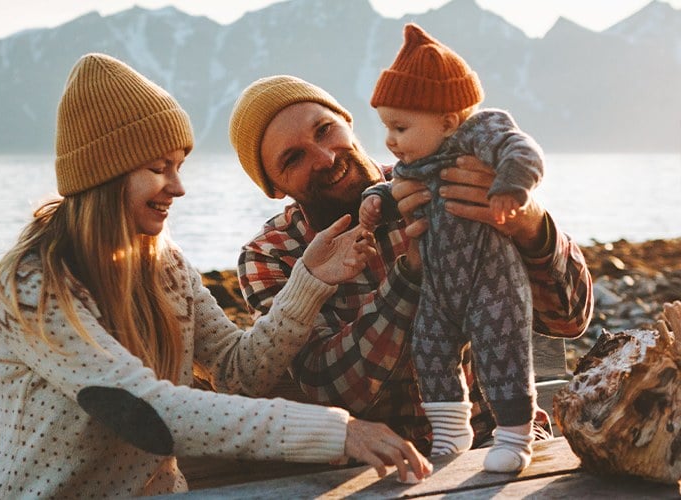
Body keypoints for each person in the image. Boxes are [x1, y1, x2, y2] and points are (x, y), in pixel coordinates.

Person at [0, 53, 431, 498]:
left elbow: (239, 373)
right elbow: (143, 408)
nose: (178, 188)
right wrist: (341, 431)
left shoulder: (164, 265)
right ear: (105, 174)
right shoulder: (35, 282)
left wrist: (309, 280)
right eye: (158, 169)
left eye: (178, 166)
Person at [225, 71, 593, 456]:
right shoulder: (271, 255)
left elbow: (570, 319)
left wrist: (529, 224)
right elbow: (330, 386)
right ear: (274, 187)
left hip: (503, 443)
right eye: (293, 158)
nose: (326, 157)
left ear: (347, 123)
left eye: (323, 130)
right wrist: (411, 276)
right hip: (381, 468)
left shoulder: (448, 175)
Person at [358, 23, 547, 472]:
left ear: (446, 120)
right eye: (386, 127)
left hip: (491, 282)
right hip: (440, 291)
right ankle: (450, 430)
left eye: (400, 127)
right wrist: (373, 201)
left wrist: (511, 188)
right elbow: (392, 188)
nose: (390, 140)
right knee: (429, 350)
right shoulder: (415, 164)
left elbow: (522, 150)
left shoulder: (478, 134)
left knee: (502, 352)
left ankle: (515, 437)